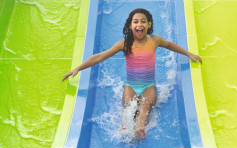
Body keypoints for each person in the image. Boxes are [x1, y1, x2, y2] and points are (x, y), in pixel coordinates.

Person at [62, 8, 202, 140]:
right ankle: (125, 128)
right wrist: (78, 68)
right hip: (131, 85)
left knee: (144, 106)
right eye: (135, 22)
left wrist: (189, 54)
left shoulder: (154, 40)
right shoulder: (124, 44)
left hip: (149, 85)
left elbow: (169, 44)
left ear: (149, 24)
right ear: (130, 25)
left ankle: (140, 129)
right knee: (128, 107)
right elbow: (99, 56)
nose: (139, 24)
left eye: (143, 21)